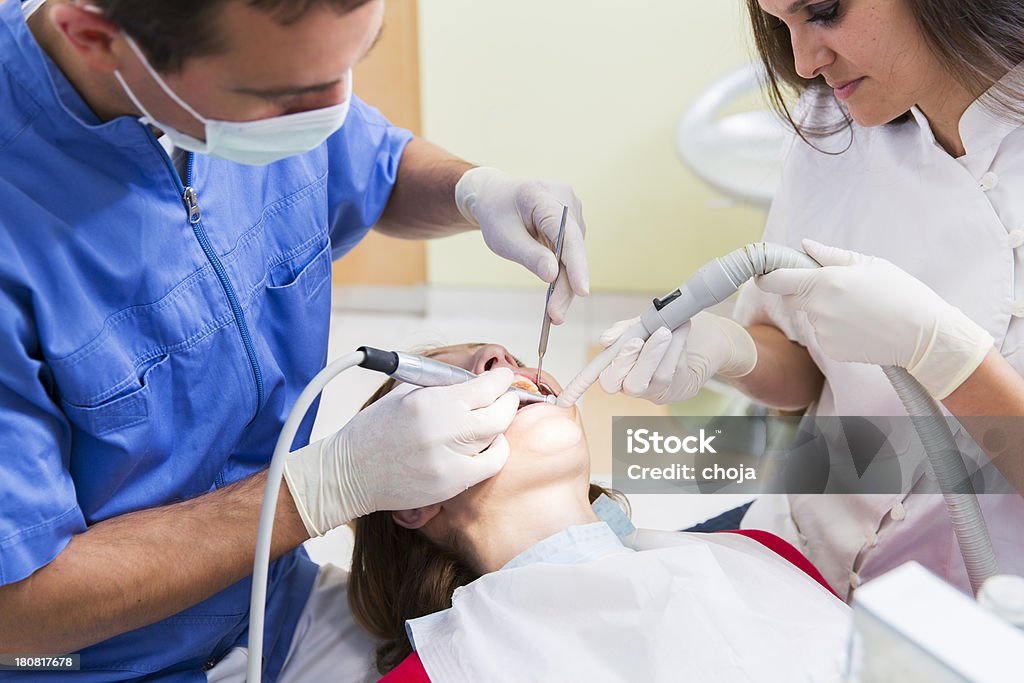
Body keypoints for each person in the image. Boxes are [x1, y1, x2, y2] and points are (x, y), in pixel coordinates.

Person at [0, 0, 589, 680]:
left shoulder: (253, 71)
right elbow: (14, 607)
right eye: (288, 96)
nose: (334, 109)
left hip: (282, 612)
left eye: (351, 65)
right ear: (97, 38)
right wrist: (317, 489)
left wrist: (472, 190)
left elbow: (369, 161)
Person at [597, 0, 1024, 601]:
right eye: (781, 23)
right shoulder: (831, 125)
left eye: (824, 11)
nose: (803, 61)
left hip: (961, 621)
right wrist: (730, 351)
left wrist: (949, 358)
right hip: (790, 548)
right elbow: (802, 365)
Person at [346, 343, 851, 682]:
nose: (496, 355)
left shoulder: (762, 553)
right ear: (412, 501)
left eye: (510, 357)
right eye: (446, 387)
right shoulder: (437, 672)